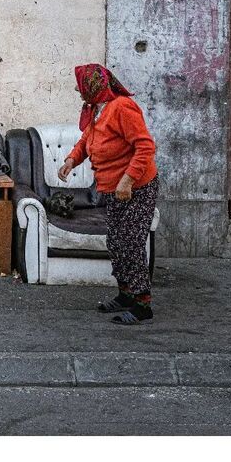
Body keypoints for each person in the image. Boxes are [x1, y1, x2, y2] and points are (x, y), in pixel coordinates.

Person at [57, 63, 159, 325]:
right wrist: (71, 160)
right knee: (115, 242)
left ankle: (142, 303)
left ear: (92, 86)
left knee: (131, 243)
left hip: (136, 187)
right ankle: (125, 294)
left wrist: (127, 180)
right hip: (114, 188)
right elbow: (86, 140)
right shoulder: (97, 110)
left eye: (81, 86)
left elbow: (145, 146)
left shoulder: (122, 107)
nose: (79, 91)